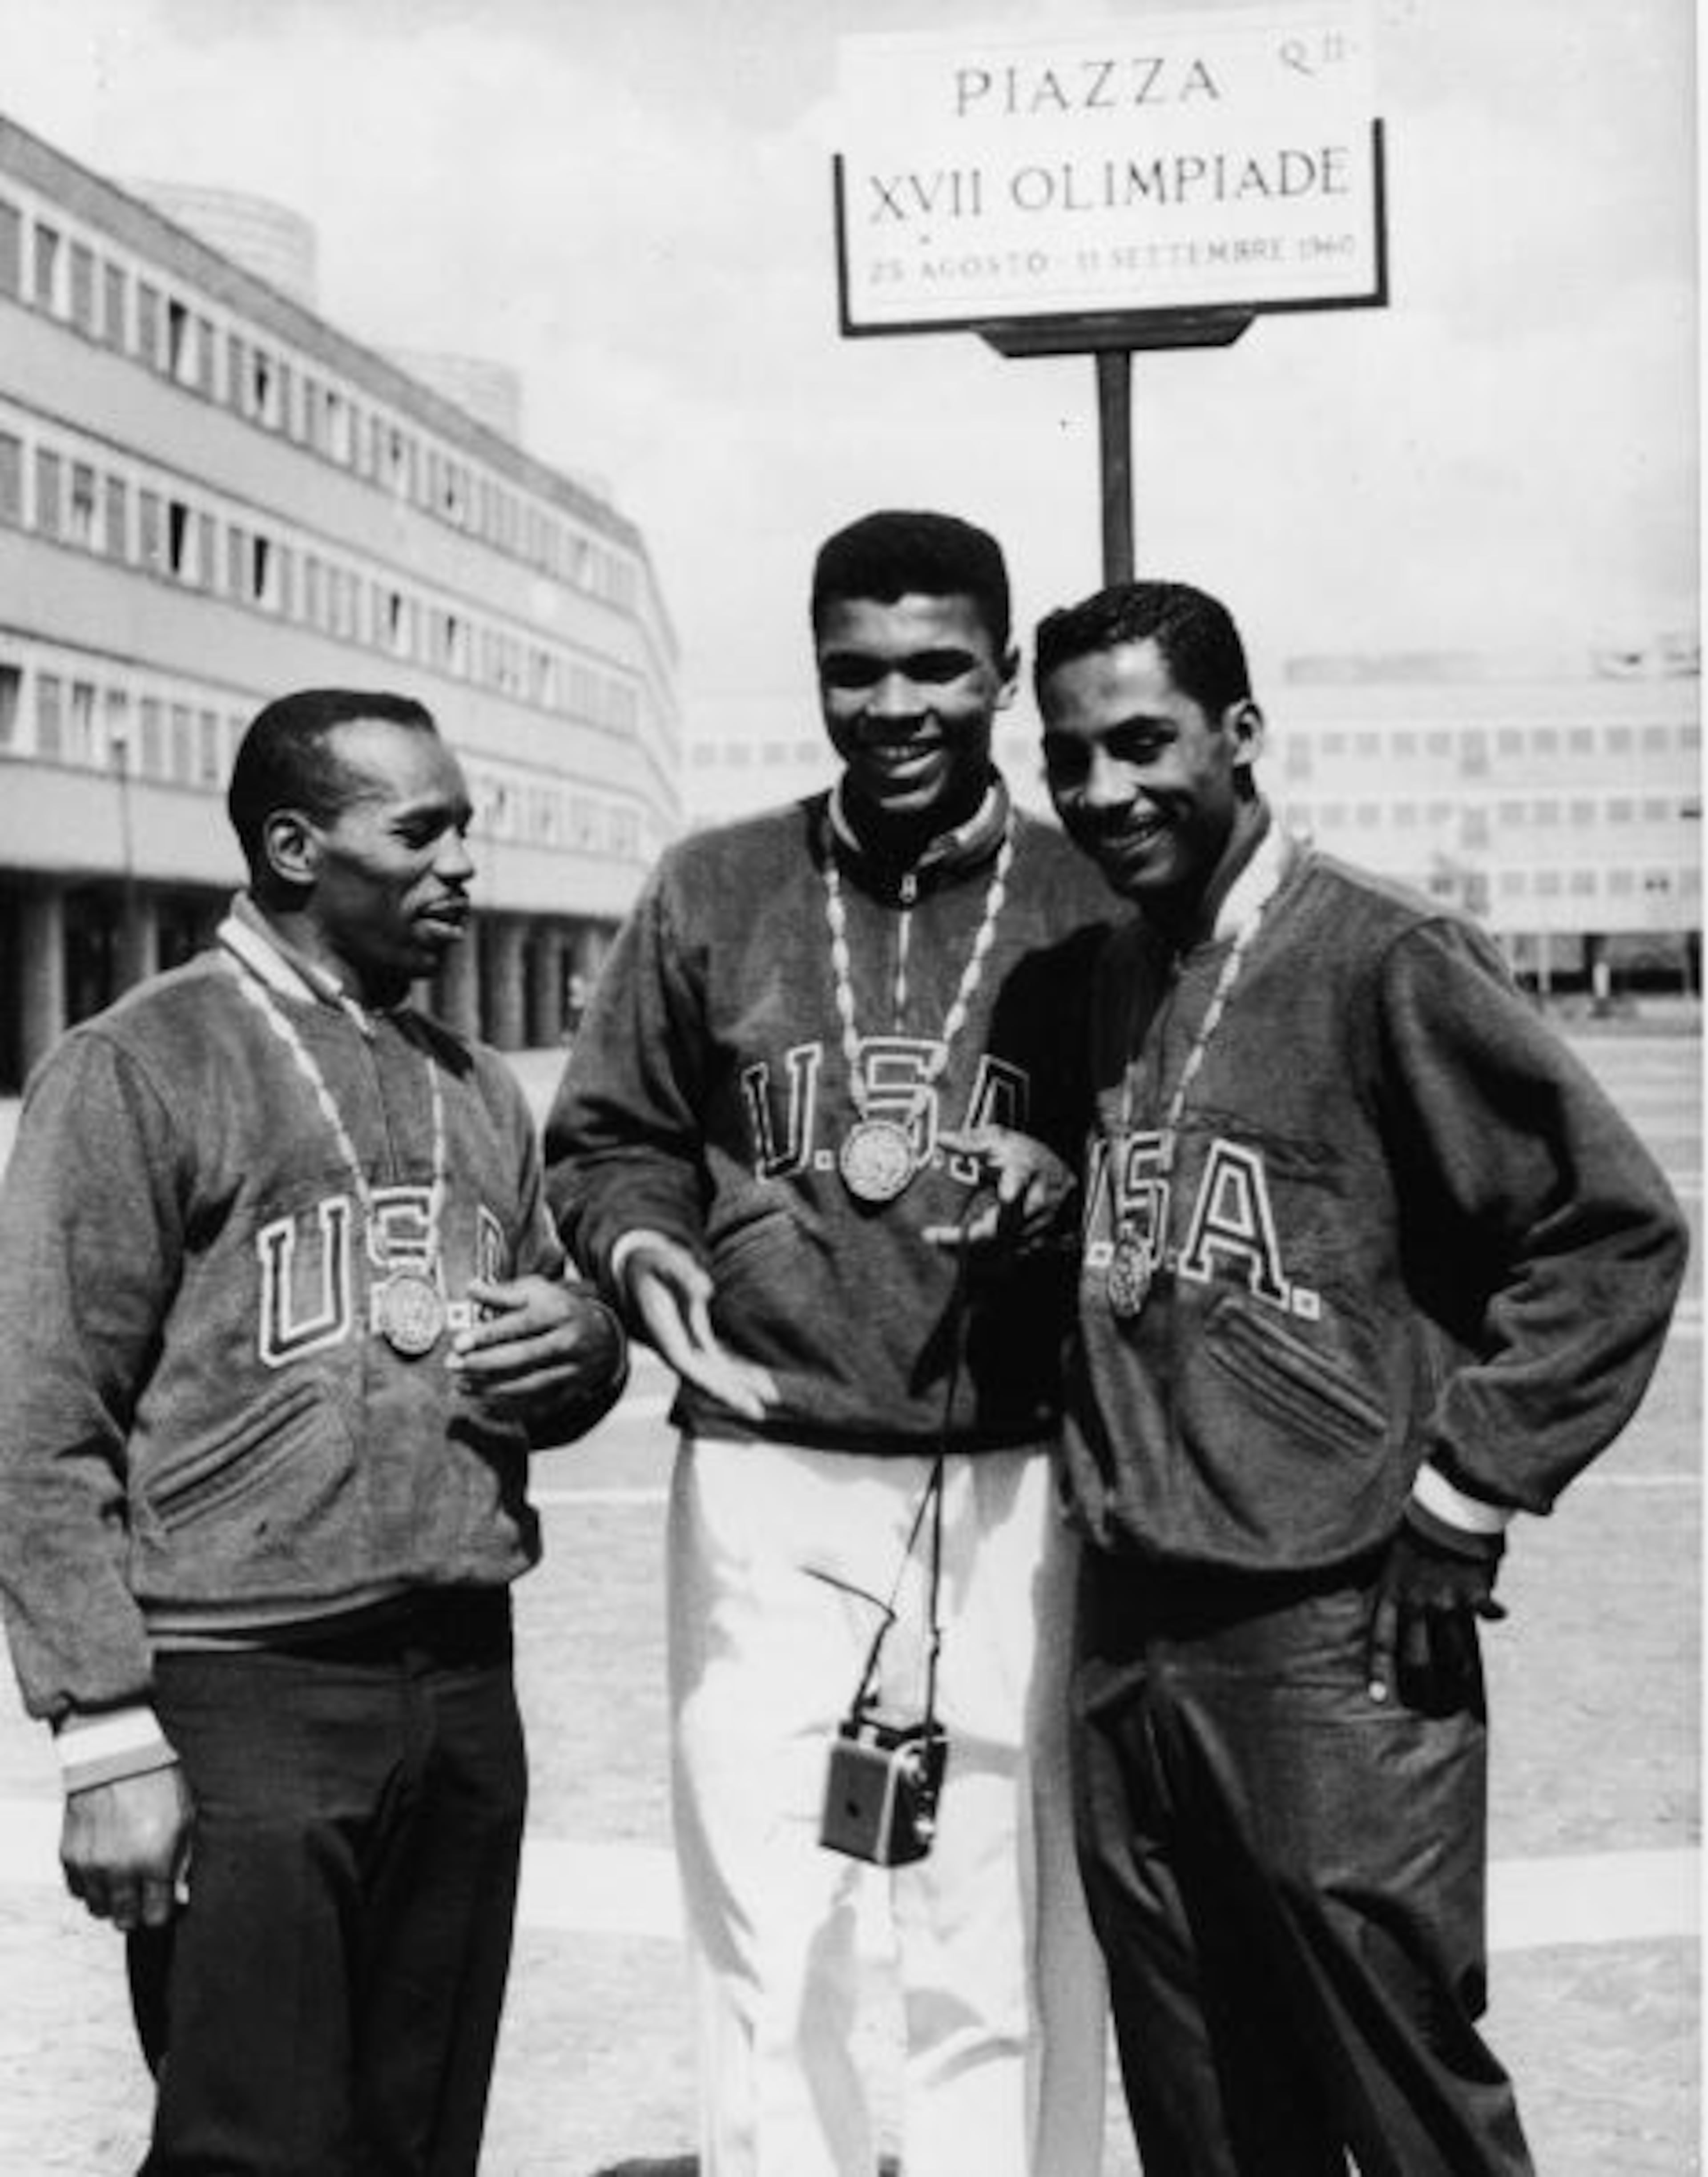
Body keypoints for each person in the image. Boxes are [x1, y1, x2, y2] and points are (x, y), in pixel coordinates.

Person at [1031, 578, 1688, 2177]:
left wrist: (1468, 1494)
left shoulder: (1385, 953)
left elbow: (1611, 1233)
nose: (1105, 793)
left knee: (1397, 2095)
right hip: (1131, 1632)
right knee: (1199, 2103)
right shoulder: (1122, 970)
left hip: (1329, 1636)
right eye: (1071, 759)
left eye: (1143, 744)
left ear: (1241, 735)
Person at [545, 510, 1113, 2177]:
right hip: (768, 1464)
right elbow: (608, 1141)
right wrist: (648, 1258)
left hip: (1015, 1469)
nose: (896, 706)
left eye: (938, 666)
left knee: (994, 1924)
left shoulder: (1093, 891)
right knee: (767, 1914)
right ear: (813, 675)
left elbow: (1163, 1131)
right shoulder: (715, 884)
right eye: (852, 672)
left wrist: (1067, 1180)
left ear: (1002, 672)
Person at [0, 688, 628, 2177]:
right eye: (421, 831)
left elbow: (551, 1328)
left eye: (465, 826)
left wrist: (588, 1345)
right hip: (250, 1690)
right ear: (294, 847)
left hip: (463, 1680)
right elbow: (38, 1421)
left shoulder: (472, 1083)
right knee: (255, 2144)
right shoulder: (138, 1065)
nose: (463, 863)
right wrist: (102, 1734)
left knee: (418, 2138)